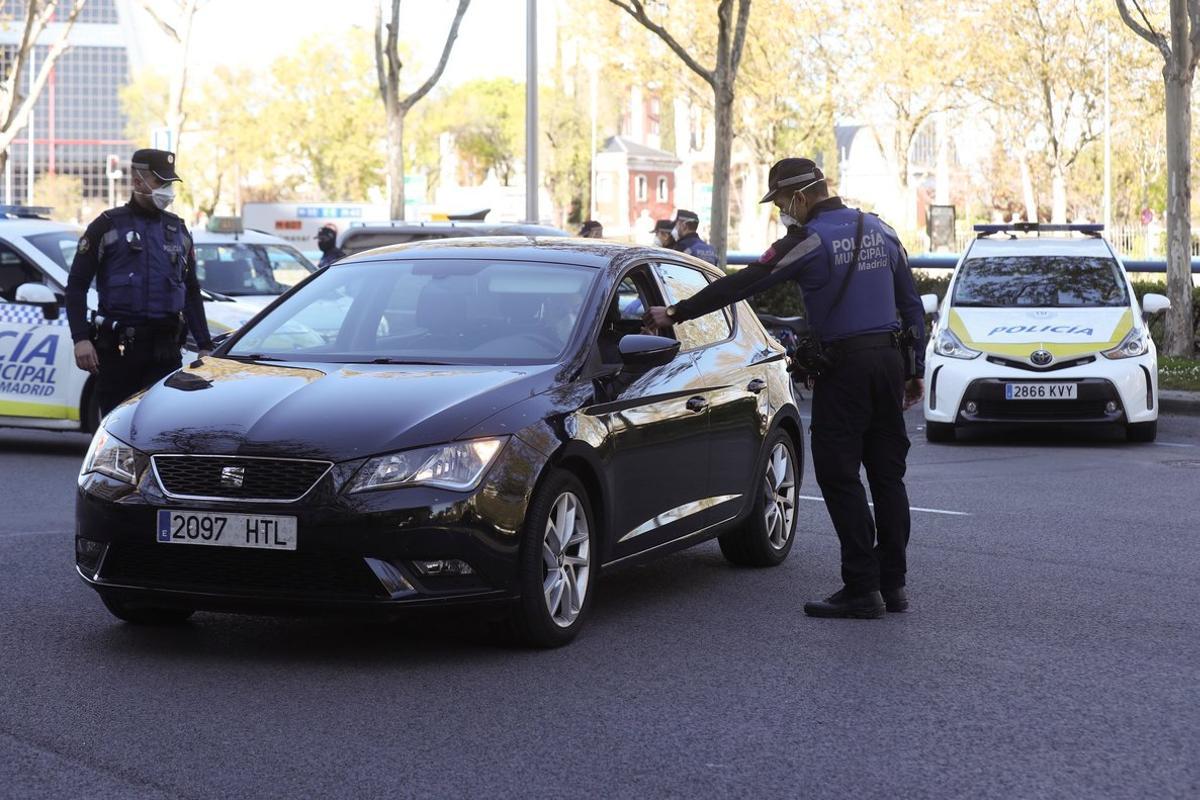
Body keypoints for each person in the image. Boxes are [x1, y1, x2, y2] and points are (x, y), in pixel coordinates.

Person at [646, 157, 926, 619]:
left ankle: (861, 586)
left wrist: (676, 314)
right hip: (888, 362)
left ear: (801, 195)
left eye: (780, 200)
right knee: (887, 476)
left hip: (847, 368)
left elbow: (746, 281)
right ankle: (892, 584)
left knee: (839, 475)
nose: (781, 209)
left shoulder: (807, 241)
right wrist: (913, 368)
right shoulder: (884, 230)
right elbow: (911, 304)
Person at [67, 148, 214, 416]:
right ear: (137, 181)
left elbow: (191, 292)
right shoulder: (107, 226)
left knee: (158, 430)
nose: (167, 190)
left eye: (170, 183)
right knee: (116, 428)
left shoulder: (178, 230)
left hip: (165, 352)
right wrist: (80, 339)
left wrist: (205, 345)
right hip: (119, 352)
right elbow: (76, 286)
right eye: (160, 182)